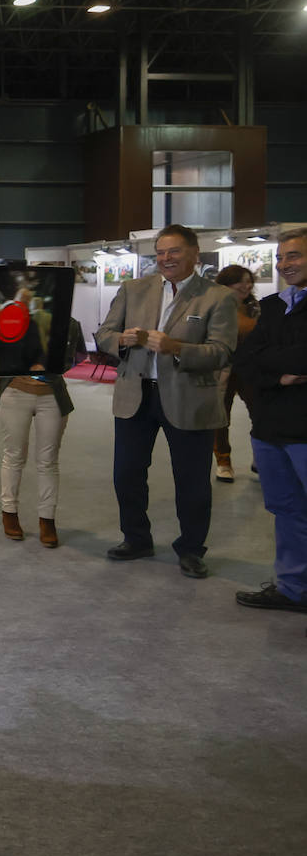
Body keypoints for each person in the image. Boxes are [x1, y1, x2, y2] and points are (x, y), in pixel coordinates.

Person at [95, 223, 238, 579]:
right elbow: (103, 334)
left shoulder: (217, 297)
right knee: (126, 473)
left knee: (191, 481)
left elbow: (222, 353)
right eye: (159, 252)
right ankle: (136, 539)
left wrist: (177, 349)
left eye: (173, 251)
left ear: (194, 254)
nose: (165, 258)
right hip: (136, 396)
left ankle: (191, 549)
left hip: (189, 399)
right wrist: (122, 340)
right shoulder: (133, 289)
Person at [232, 228, 307, 616]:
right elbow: (247, 361)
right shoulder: (275, 305)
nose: (283, 264)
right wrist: (280, 376)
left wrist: (276, 362)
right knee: (287, 510)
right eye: (280, 258)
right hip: (270, 428)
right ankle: (294, 589)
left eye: (293, 256)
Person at [0, 282, 79, 548]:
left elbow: (71, 359)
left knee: (48, 461)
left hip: (52, 396)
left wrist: (50, 362)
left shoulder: (69, 324)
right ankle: (9, 513)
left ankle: (47, 519)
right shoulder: (9, 321)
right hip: (15, 392)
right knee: (14, 456)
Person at [211, 264, 261, 482]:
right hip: (223, 369)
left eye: (249, 281)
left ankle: (260, 457)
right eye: (240, 281)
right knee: (221, 418)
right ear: (226, 284)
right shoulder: (216, 307)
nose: (246, 285)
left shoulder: (256, 308)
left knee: (261, 414)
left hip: (251, 369)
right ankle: (223, 461)